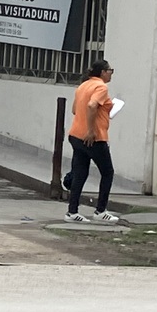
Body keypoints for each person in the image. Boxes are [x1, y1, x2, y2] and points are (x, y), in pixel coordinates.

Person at [64, 59, 120, 223]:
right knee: (107, 172)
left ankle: (72, 212)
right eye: (110, 70)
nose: (111, 74)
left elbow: (75, 109)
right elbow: (91, 105)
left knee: (80, 173)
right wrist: (90, 130)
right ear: (102, 72)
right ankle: (100, 210)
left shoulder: (84, 85)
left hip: (76, 135)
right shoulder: (101, 87)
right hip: (94, 138)